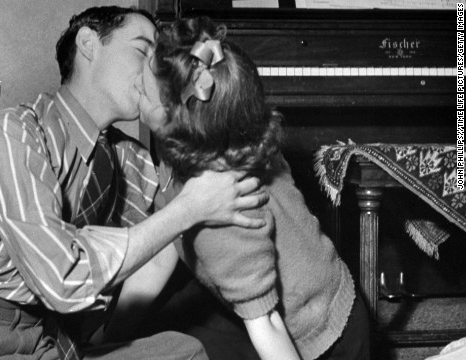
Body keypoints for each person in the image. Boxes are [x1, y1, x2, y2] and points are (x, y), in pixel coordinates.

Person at [0, 7, 270, 360]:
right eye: (142, 51)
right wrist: (188, 209)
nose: (155, 70)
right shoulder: (13, 133)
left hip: (45, 339)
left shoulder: (134, 162)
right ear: (88, 44)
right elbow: (62, 278)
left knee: (185, 351)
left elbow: (204, 185)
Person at [123, 16, 371, 360]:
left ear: (173, 117)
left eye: (144, 85)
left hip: (322, 339)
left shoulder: (223, 218)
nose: (134, 81)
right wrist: (106, 337)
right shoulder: (222, 136)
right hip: (306, 293)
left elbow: (267, 324)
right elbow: (162, 253)